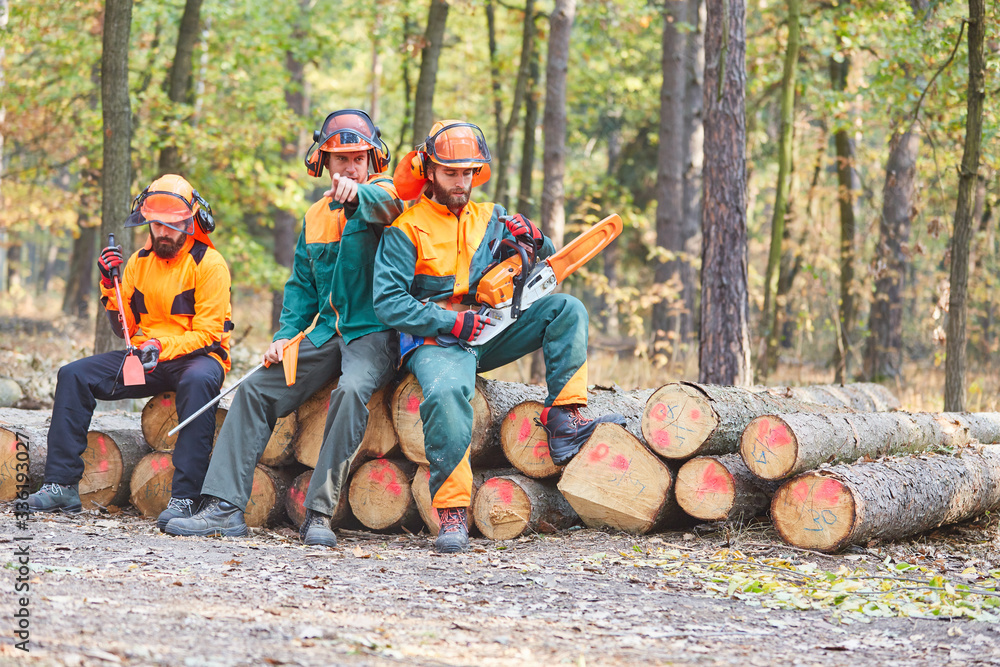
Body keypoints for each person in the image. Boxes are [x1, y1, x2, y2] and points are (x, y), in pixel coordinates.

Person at [372, 120, 624, 553]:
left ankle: (566, 419)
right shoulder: (406, 229)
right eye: (451, 172)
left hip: (491, 326)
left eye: (468, 172)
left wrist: (535, 239)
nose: (461, 181)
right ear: (430, 172)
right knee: (449, 391)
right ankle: (451, 512)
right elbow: (389, 303)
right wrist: (451, 323)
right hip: (439, 340)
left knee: (567, 309)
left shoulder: (491, 216)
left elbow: (537, 256)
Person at [166, 109, 404, 547]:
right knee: (256, 388)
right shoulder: (314, 217)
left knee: (351, 392)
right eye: (340, 159)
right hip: (325, 332)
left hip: (374, 333)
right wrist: (283, 338)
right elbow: (300, 293)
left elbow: (391, 206)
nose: (349, 168)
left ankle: (318, 512)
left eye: (357, 159)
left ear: (372, 160)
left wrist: (357, 198)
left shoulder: (385, 195)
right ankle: (224, 506)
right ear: (324, 164)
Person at [28, 175, 233, 531]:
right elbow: (122, 325)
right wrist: (110, 282)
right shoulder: (139, 261)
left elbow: (208, 333)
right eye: (157, 225)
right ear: (148, 223)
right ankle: (60, 485)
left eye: (173, 225)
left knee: (200, 380)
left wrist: (160, 346)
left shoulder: (209, 264)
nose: (164, 232)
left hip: (198, 358)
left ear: (191, 222)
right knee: (73, 374)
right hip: (148, 356)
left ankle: (186, 497)